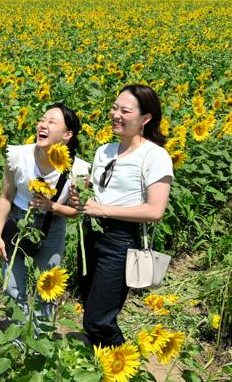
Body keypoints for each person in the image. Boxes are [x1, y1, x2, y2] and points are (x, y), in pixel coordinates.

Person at [71, 84, 174, 347]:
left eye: (125, 110)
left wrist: (103, 209)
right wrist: (80, 198)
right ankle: (100, 366)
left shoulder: (155, 156)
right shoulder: (103, 151)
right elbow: (96, 194)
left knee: (99, 321)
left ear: (145, 118)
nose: (115, 114)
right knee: (90, 309)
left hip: (120, 241)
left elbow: (154, 210)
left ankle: (125, 366)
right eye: (114, 107)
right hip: (90, 235)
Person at [0, 103, 89, 329]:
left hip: (53, 226)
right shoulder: (18, 156)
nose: (42, 125)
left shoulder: (77, 169)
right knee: (12, 286)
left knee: (47, 288)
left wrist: (51, 206)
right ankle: (17, 344)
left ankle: (40, 342)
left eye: (51, 122)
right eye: (42, 120)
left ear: (67, 135)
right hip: (17, 221)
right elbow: (6, 197)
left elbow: (77, 211)